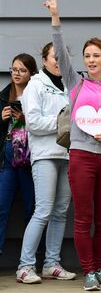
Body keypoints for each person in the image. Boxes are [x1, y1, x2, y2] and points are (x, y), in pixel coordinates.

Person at [44, 0, 101, 291]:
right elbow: (60, 53)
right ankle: (89, 272)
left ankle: (99, 268)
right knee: (83, 217)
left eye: (97, 55)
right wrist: (56, 19)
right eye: (87, 55)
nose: (91, 60)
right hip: (81, 156)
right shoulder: (75, 82)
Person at [16, 43, 76, 284]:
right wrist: (63, 122)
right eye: (55, 57)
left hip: (68, 154)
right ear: (44, 60)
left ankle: (51, 263)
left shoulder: (71, 85)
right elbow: (34, 123)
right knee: (43, 210)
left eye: (64, 56)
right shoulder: (35, 85)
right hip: (45, 155)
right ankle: (25, 266)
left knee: (60, 212)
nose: (60, 60)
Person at [0, 54, 37, 257]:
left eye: (22, 70)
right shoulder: (3, 96)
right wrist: (1, 119)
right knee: (1, 207)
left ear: (32, 73)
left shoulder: (36, 96)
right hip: (7, 160)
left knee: (32, 210)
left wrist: (25, 119)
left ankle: (32, 260)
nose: (17, 74)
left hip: (29, 161)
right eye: (14, 69)